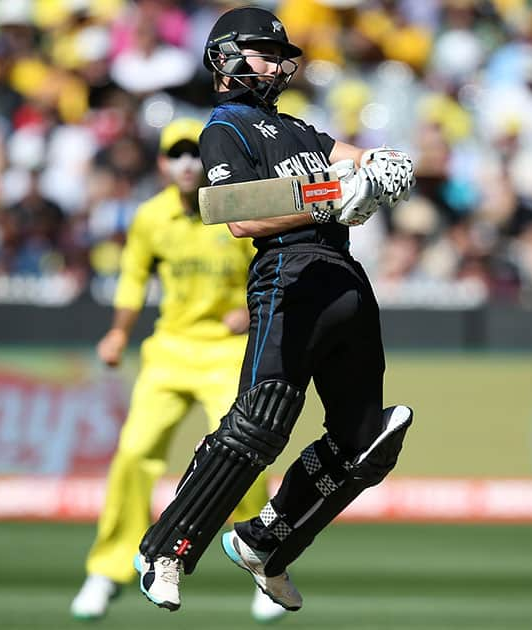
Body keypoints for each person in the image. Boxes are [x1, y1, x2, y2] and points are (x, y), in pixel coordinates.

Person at [134, 6, 416, 614]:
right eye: (265, 51)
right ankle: (166, 550)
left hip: (345, 279)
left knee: (368, 441)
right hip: (287, 275)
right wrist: (329, 196)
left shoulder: (301, 130)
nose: (278, 63)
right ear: (229, 57)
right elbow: (236, 212)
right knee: (259, 425)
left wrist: (385, 166)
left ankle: (266, 545)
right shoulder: (225, 126)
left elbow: (360, 159)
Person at [70, 118, 287, 623]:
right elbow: (133, 279)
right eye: (177, 154)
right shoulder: (150, 217)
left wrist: (252, 313)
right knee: (134, 452)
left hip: (225, 352)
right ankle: (108, 570)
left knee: (241, 455)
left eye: (197, 153)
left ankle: (263, 561)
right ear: (163, 164)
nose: (189, 163)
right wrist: (119, 332)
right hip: (169, 351)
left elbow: (274, 265)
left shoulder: (232, 205)